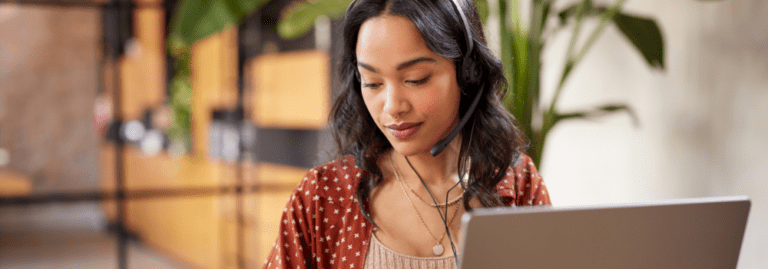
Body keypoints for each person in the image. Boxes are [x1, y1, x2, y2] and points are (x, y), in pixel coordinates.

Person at [263, 0, 551, 268]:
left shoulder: (518, 183)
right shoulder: (321, 198)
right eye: (373, 83)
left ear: (468, 73)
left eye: (416, 79)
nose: (392, 107)